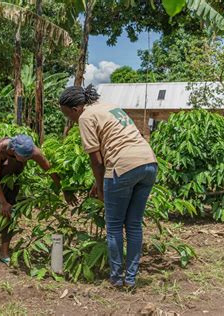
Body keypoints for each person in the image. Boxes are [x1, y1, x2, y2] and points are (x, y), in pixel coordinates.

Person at [59, 85, 158, 287]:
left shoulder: (86, 117)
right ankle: (130, 279)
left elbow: (96, 160)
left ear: (76, 109)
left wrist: (101, 186)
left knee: (113, 226)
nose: (70, 119)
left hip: (123, 166)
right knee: (134, 224)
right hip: (149, 162)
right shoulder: (109, 106)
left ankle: (115, 278)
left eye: (67, 114)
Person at [0, 134, 75, 265]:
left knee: (11, 208)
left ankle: (4, 251)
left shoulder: (33, 151)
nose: (26, 161)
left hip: (11, 177)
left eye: (28, 158)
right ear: (13, 150)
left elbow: (50, 170)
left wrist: (64, 189)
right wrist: (2, 202)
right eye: (23, 158)